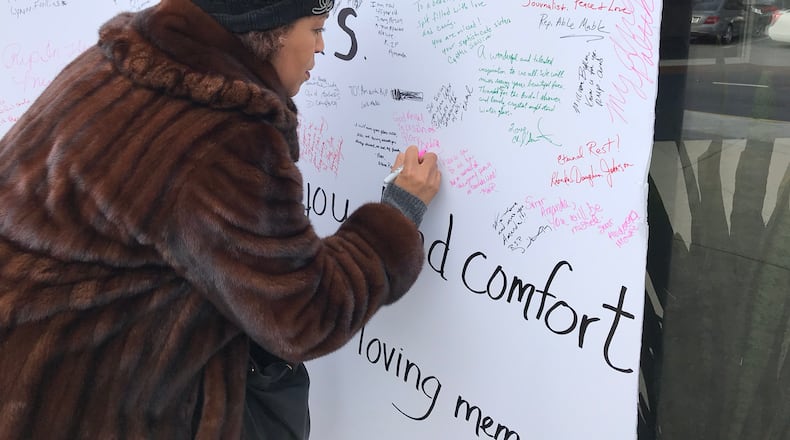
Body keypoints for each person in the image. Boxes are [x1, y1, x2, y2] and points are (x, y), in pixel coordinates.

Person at [0, 0, 441, 438]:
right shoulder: (225, 136)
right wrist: (396, 218)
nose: (323, 48)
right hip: (74, 403)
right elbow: (304, 313)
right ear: (271, 31)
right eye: (316, 29)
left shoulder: (121, 61)